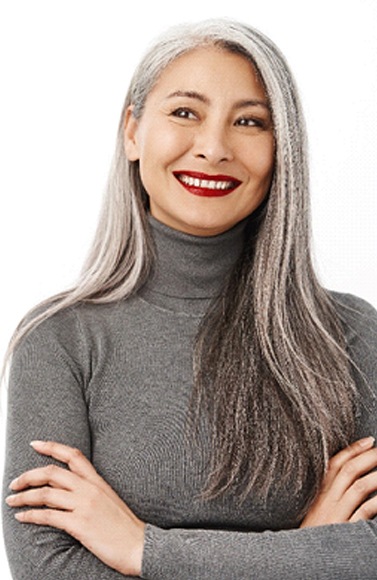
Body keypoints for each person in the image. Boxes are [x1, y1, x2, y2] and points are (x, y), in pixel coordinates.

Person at [2, 18, 377, 579]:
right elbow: (49, 566)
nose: (213, 148)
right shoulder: (60, 339)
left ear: (281, 152)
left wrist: (140, 548)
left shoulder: (347, 333)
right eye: (185, 112)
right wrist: (307, 553)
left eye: (249, 121)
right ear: (132, 131)